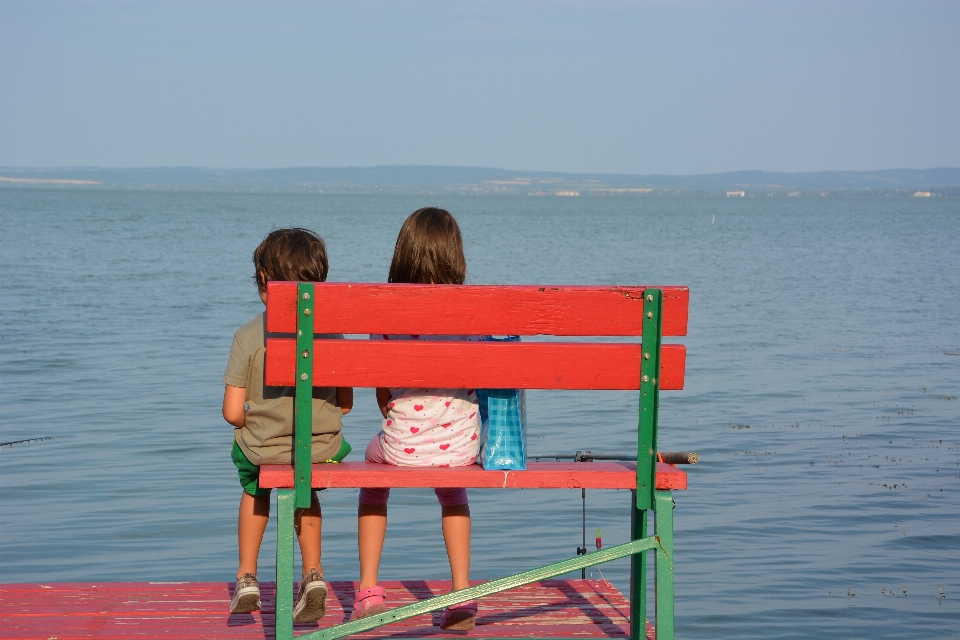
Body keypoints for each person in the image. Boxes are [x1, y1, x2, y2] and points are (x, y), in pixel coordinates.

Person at [352, 208, 481, 631]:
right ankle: (461, 593)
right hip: (461, 445)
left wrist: (399, 420)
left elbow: (380, 388)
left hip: (401, 443)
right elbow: (483, 378)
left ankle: (368, 592)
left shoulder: (387, 313)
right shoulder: (472, 312)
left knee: (374, 474)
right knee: (452, 491)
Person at [222, 228, 353, 623]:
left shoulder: (248, 335)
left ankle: (247, 574)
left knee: (254, 480)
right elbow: (345, 404)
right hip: (319, 450)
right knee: (304, 485)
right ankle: (313, 571)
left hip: (265, 447)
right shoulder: (333, 334)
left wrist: (253, 423)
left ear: (263, 280)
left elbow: (231, 412)